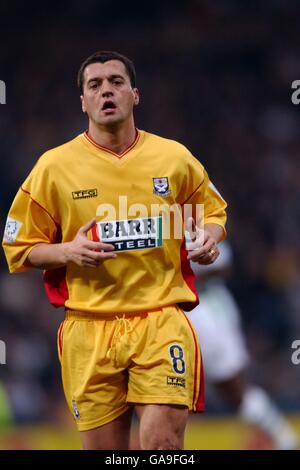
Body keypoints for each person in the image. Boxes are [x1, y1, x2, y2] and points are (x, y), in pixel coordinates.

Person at [2, 51, 227, 450]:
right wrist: (68, 251)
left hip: (160, 320)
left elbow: (212, 211)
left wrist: (210, 238)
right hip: (89, 328)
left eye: (116, 82)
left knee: (162, 447)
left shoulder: (173, 158)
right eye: (95, 85)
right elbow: (19, 249)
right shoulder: (53, 168)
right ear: (83, 102)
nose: (107, 90)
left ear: (134, 95)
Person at [186, 241, 298, 450]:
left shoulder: (192, 217)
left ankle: (283, 437)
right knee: (173, 389)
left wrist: (179, 276)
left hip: (207, 310)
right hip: (176, 311)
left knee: (233, 389)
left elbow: (223, 262)